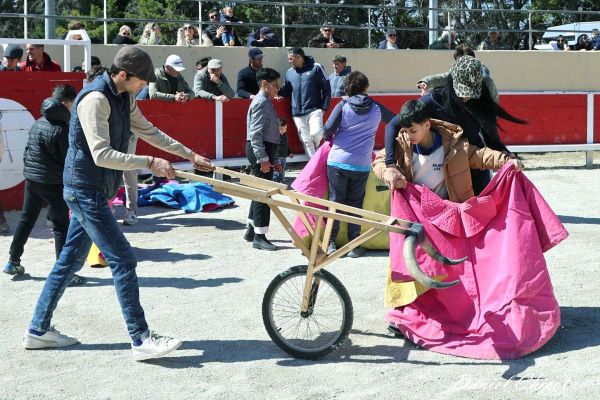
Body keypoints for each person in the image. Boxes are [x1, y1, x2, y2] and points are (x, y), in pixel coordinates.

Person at [22, 46, 215, 361]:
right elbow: (101, 154)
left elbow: (149, 131)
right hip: (85, 190)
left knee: (68, 262)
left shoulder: (125, 96)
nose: (144, 86)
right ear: (123, 75)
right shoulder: (95, 99)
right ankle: (140, 338)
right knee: (123, 259)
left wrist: (189, 154)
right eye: (141, 81)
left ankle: (38, 330)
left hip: (94, 188)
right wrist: (150, 162)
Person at [385, 55, 525, 195]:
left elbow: (491, 137)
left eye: (471, 92)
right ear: (452, 83)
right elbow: (392, 125)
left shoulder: (481, 100)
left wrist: (506, 154)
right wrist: (390, 165)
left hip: (474, 161)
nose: (466, 97)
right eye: (463, 92)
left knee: (483, 202)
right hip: (446, 167)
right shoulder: (434, 100)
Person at [3, 85, 87, 285]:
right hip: (54, 183)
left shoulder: (39, 121)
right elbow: (68, 161)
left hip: (32, 179)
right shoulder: (62, 129)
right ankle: (63, 273)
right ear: (65, 103)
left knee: (26, 219)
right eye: (72, 104)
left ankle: (13, 261)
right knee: (60, 227)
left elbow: (27, 151)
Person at [323, 71, 395, 258]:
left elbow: (328, 129)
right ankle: (354, 245)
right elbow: (395, 121)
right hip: (361, 164)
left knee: (335, 202)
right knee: (355, 204)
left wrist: (330, 136)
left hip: (337, 162)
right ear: (366, 87)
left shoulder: (343, 105)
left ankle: (330, 243)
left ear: (348, 88)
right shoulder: (377, 108)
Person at [243, 67, 283, 251]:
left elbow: (268, 136)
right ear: (264, 84)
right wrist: (263, 158)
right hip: (260, 150)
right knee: (263, 193)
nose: (278, 88)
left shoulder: (265, 101)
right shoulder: (261, 102)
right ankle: (259, 237)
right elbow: (256, 134)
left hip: (264, 149)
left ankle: (252, 230)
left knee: (260, 190)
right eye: (275, 85)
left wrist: (274, 159)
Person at [279, 47, 331, 158]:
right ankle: (313, 164)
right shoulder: (289, 73)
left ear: (299, 57)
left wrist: (324, 108)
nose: (289, 61)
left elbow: (327, 88)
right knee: (306, 141)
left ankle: (317, 149)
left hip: (314, 110)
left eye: (291, 59)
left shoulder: (316, 67)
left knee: (316, 134)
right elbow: (286, 91)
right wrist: (277, 92)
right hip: (297, 113)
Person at [417, 44, 499, 103]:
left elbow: (493, 100)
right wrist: (426, 82)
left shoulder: (484, 77)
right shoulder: (456, 70)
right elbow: (444, 77)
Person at [273, 117, 292, 184]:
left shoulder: (285, 136)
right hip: (277, 157)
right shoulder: (274, 137)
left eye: (285, 128)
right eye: (281, 129)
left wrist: (289, 152)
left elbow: (286, 146)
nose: (283, 131)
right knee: (276, 169)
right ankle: (274, 180)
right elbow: (273, 147)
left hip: (283, 156)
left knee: (283, 168)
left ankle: (281, 179)